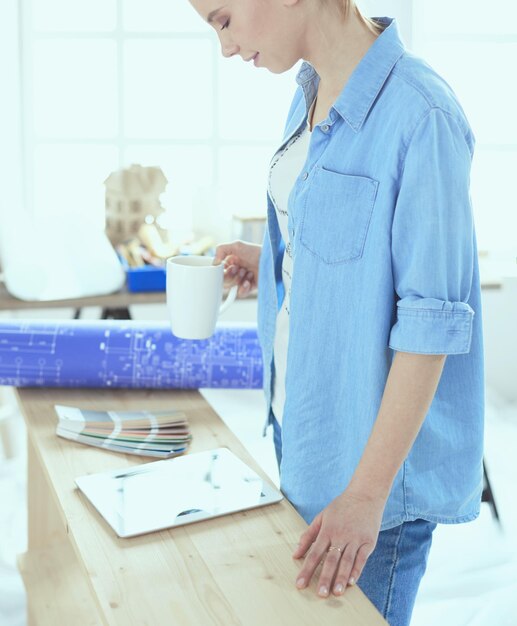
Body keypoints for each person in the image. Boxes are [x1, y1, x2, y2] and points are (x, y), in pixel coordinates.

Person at [188, 1, 484, 624]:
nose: (225, 45)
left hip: (372, 485)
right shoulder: (310, 91)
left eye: (222, 19)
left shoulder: (421, 114)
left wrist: (367, 495)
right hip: (309, 442)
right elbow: (349, 242)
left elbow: (431, 329)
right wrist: (267, 251)